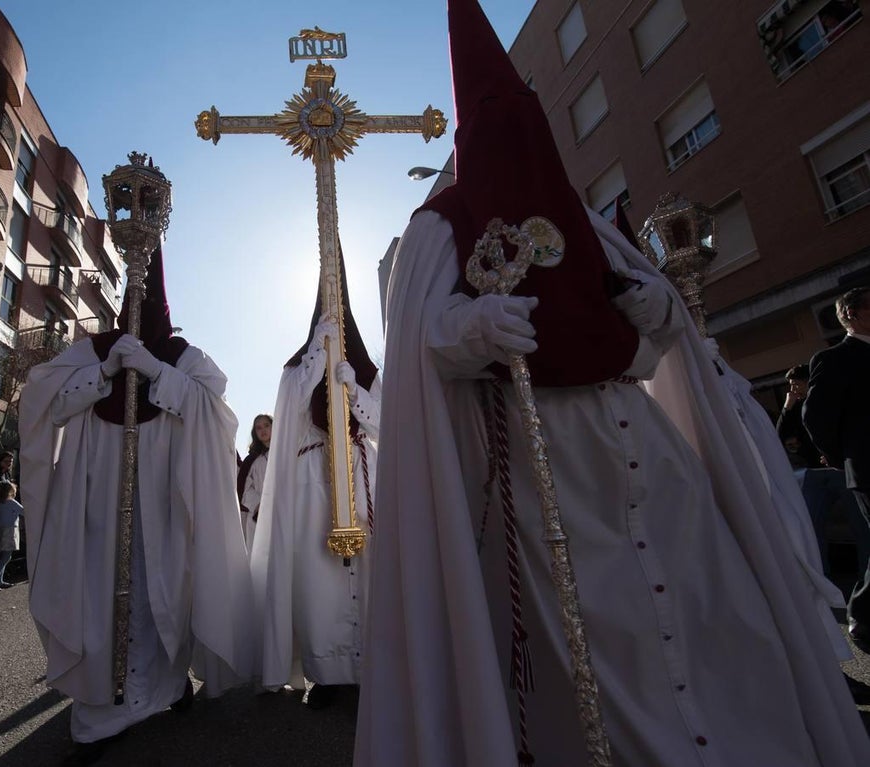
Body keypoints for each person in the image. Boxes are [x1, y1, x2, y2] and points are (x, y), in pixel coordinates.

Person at [354, 3, 870, 766]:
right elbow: (421, 345)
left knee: (714, 607)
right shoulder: (438, 225)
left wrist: (660, 312)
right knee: (599, 640)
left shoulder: (589, 222)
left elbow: (653, 339)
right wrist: (471, 332)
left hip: (646, 452)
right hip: (544, 466)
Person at [20, 245, 255, 765]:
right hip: (98, 495)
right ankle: (103, 712)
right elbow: (45, 404)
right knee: (101, 593)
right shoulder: (91, 348)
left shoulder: (183, 355)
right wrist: (103, 373)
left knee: (165, 588)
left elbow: (216, 410)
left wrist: (156, 371)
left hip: (166, 494)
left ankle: (168, 686)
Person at [251, 273, 381, 709]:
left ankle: (375, 669)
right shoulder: (296, 370)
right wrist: (317, 356)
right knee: (317, 579)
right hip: (313, 484)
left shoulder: (366, 370)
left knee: (369, 572)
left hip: (363, 480)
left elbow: (385, 423)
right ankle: (328, 674)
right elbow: (288, 413)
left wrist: (356, 390)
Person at [803, 286, 870, 652]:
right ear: (853, 315)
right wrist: (844, 454)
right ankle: (861, 615)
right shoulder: (835, 359)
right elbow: (816, 418)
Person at [779, 364, 868, 578]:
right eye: (790, 385)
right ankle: (822, 578)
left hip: (839, 471)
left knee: (861, 527)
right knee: (810, 527)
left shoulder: (827, 401)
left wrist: (834, 453)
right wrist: (786, 408)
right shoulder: (796, 408)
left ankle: (865, 577)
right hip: (814, 474)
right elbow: (779, 436)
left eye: (796, 383)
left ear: (807, 381)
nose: (793, 389)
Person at [236, 414, 271, 551]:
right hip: (259, 514)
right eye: (259, 428)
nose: (263, 430)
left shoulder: (285, 454)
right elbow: (243, 489)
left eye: (267, 425)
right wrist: (259, 504)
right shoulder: (251, 460)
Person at [0, 480, 22, 591]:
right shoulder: (11, 502)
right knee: (5, 557)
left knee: (3, 556)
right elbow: (23, 511)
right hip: (10, 530)